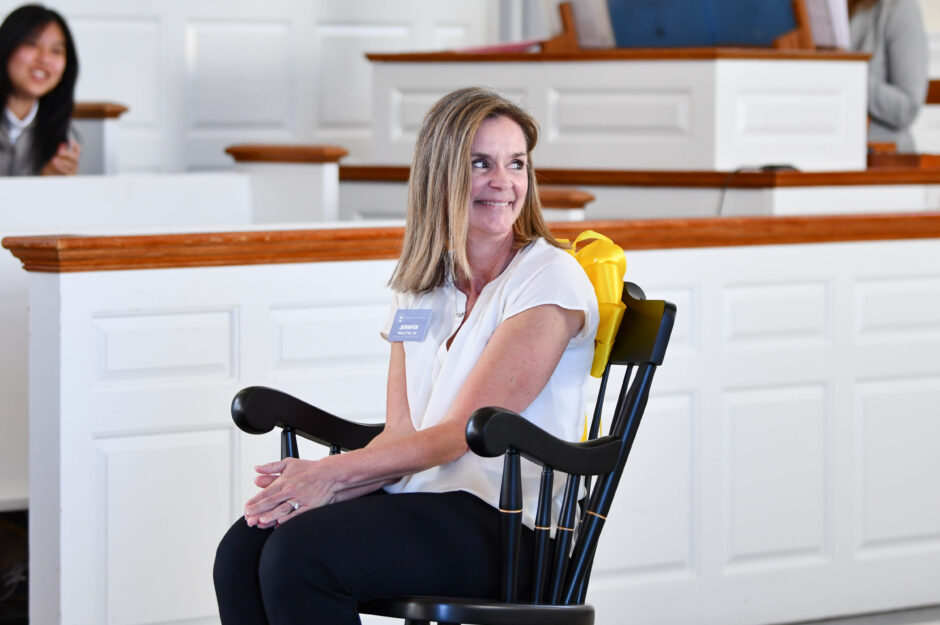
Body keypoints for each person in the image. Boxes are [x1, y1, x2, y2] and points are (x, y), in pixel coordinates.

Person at [213, 87, 600, 625]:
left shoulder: (547, 278)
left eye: (516, 164)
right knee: (243, 549)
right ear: (440, 173)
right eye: (480, 163)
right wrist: (330, 484)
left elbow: (461, 432)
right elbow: (403, 433)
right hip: (423, 496)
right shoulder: (421, 285)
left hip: (511, 523)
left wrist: (335, 473)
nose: (503, 182)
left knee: (302, 557)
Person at [0, 4, 80, 176]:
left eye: (56, 50)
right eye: (32, 44)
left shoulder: (64, 135)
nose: (44, 59)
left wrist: (53, 182)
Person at [849, 0, 928, 152]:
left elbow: (908, 107)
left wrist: (851, 76)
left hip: (883, 155)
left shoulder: (899, 7)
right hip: (826, 145)